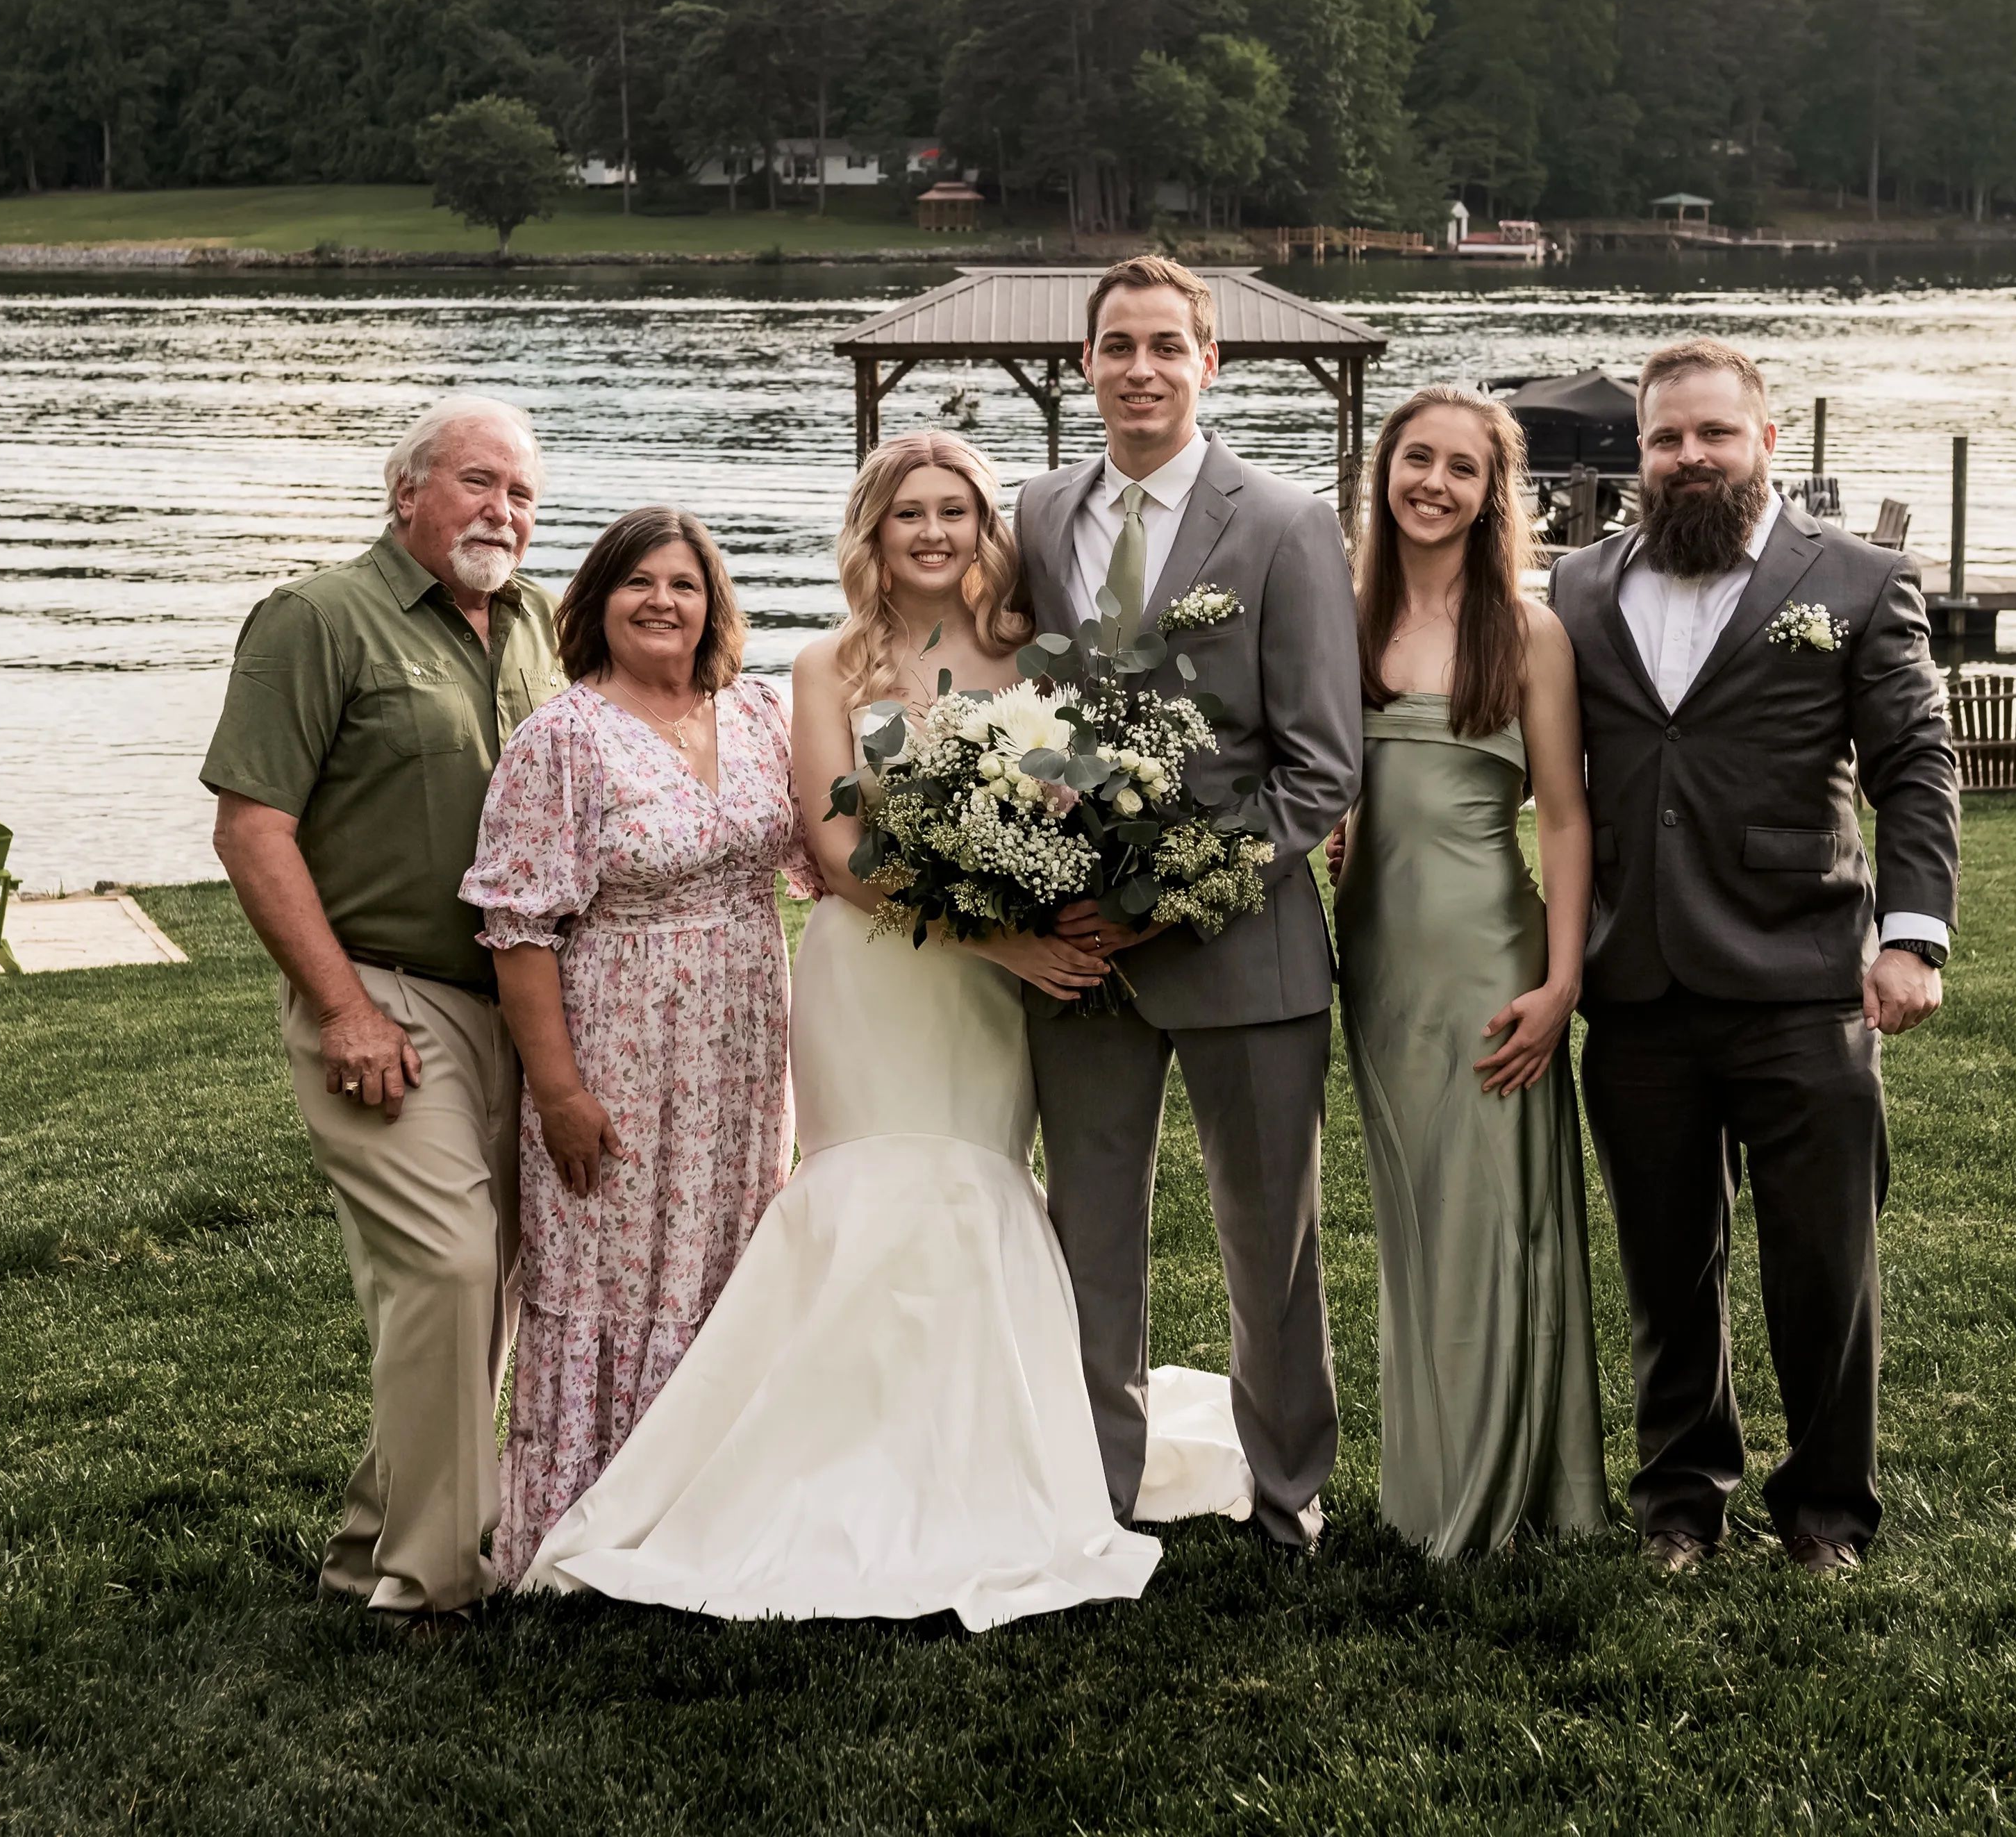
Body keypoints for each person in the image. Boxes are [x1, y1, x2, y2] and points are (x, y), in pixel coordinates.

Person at [518, 433, 1252, 1627]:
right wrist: (997, 939)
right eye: (907, 510)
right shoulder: (826, 666)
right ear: (874, 530)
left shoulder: (1035, 661)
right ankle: (811, 1461)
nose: (931, 530)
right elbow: (835, 850)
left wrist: (1045, 899)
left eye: (955, 509)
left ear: (984, 528)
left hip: (985, 999)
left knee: (973, 1186)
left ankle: (976, 1456)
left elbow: (1082, 806)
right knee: (862, 1194)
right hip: (875, 973)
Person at [1544, 336, 1958, 1578]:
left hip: (1802, 976)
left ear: (1766, 441)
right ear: (1641, 449)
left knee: (1823, 1268)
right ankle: (1682, 1500)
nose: (1690, 457)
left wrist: (1913, 936)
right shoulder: (1574, 588)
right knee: (1667, 1271)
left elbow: (1915, 767)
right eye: (1668, 437)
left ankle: (1827, 1512)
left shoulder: (1860, 579)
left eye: (1715, 434)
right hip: (1638, 983)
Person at [1009, 255, 1363, 1554]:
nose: (1141, 369)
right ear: (1086, 364)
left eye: (1168, 345)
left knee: (1268, 1240)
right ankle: (1097, 1493)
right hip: (1076, 958)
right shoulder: (1036, 515)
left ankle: (1288, 1498)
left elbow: (1320, 765)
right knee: (1086, 1235)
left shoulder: (1281, 523)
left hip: (1245, 946)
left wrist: (1176, 901)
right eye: (1117, 346)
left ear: (1209, 365)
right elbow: (1016, 715)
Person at [200, 395, 564, 1617]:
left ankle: (371, 1542)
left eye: (520, 493)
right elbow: (253, 829)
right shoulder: (317, 619)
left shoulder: (542, 625)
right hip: (385, 999)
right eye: (476, 483)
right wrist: (344, 1007)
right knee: (454, 1267)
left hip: (519, 1004)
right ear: (405, 492)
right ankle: (428, 1588)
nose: (501, 512)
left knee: (479, 1285)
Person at [460, 506, 802, 1584]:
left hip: (746, 1046)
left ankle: (716, 1511)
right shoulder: (561, 737)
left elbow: (819, 859)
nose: (663, 602)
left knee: (728, 1257)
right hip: (619, 1041)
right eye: (638, 583)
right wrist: (557, 1090)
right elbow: (519, 929)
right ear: (597, 602)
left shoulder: (757, 712)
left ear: (715, 606)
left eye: (685, 584)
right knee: (615, 1268)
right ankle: (589, 1524)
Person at [1327, 386, 1608, 1560]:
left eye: (1462, 468)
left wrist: (1563, 982)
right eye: (1415, 460)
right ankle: (1422, 1478)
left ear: (1496, 494)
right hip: (1377, 962)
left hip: (1493, 955)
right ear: (1383, 473)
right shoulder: (1342, 619)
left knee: (1495, 1213)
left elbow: (1564, 821)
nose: (1433, 483)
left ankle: (1500, 1493)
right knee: (1416, 1215)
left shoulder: (1528, 631)